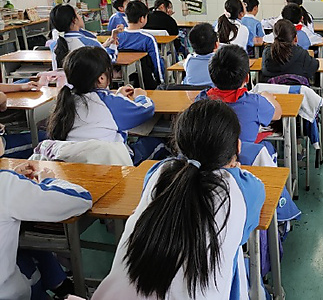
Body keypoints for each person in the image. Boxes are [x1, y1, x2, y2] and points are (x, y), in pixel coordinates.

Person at [93, 99, 266, 300]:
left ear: (179, 144)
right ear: (237, 146)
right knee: (234, 258)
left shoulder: (159, 172)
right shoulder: (241, 189)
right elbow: (254, 199)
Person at [0, 150, 92, 300]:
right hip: (9, 292)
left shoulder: (6, 185)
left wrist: (16, 180)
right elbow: (81, 199)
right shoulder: (5, 185)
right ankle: (64, 287)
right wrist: (48, 180)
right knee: (31, 256)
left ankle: (61, 285)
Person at [46, 46, 157, 164]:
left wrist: (118, 95)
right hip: (109, 165)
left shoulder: (66, 100)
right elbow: (146, 110)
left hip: (72, 164)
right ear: (102, 78)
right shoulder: (108, 102)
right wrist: (140, 96)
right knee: (155, 142)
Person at [196, 45, 281, 143]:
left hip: (213, 152)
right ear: (247, 78)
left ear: (212, 77)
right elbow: (278, 114)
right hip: (245, 152)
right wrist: (268, 97)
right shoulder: (256, 103)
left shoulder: (201, 100)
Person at [49, 3, 120, 69]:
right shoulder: (89, 42)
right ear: (74, 20)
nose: (80, 17)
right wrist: (113, 43)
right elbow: (111, 59)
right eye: (78, 14)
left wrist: (103, 46)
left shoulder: (55, 45)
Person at [118, 0, 165, 87]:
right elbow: (156, 62)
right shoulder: (148, 39)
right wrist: (161, 81)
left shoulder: (118, 36)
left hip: (121, 84)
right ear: (142, 19)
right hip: (146, 83)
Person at [183, 23, 217, 87]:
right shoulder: (219, 60)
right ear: (216, 45)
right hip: (213, 92)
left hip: (191, 92)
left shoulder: (189, 60)